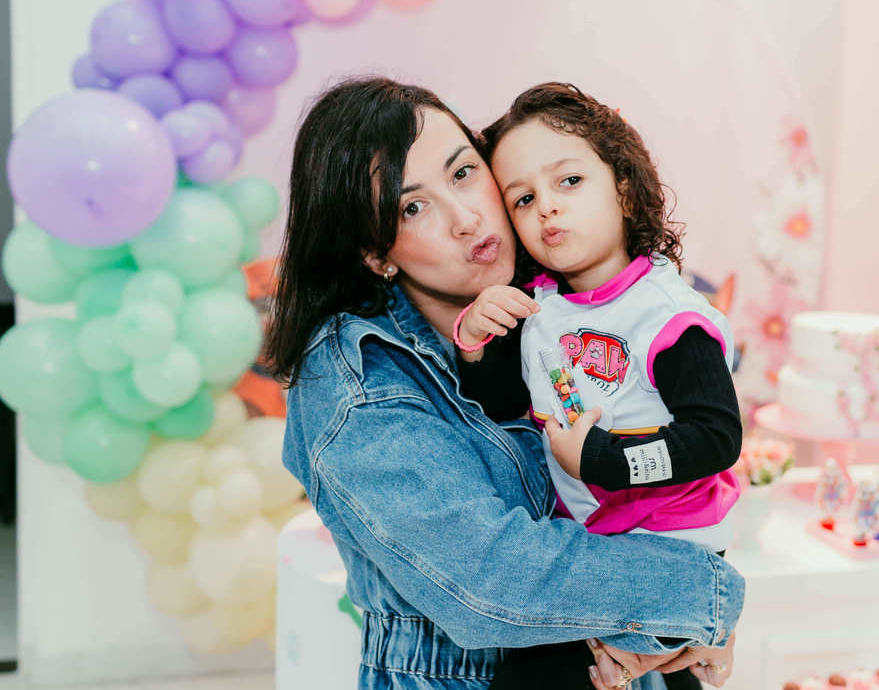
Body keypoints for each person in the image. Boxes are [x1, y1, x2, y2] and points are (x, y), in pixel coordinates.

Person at [266, 77, 743, 690]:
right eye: (413, 207)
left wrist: (688, 633)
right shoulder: (358, 381)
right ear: (375, 253)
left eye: (463, 173)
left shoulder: (561, 305)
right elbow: (493, 579)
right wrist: (704, 595)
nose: (467, 219)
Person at [451, 84, 743, 690]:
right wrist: (477, 348)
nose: (547, 209)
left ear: (626, 188)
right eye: (524, 198)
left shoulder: (665, 317)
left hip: (671, 547)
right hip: (590, 545)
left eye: (569, 182)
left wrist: (607, 461)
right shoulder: (543, 310)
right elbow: (507, 407)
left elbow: (717, 437)